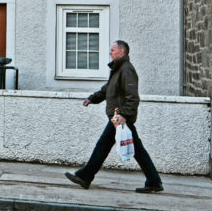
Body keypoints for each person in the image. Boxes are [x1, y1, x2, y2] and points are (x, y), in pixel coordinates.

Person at [65, 40, 163, 193]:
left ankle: (85, 176)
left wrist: (124, 114)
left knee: (104, 145)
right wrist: (92, 98)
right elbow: (107, 90)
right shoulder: (118, 69)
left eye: (112, 50)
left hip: (120, 116)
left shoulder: (126, 69)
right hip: (118, 115)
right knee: (131, 148)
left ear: (121, 52)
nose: (110, 53)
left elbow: (133, 96)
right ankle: (154, 181)